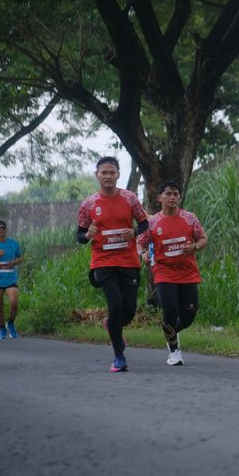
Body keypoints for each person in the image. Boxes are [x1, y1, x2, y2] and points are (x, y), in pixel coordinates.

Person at [77, 156, 148, 372]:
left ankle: (111, 324)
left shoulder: (130, 198)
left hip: (128, 261)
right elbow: (79, 235)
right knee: (115, 306)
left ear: (118, 174)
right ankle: (119, 356)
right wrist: (87, 234)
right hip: (103, 261)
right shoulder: (88, 204)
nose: (108, 176)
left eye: (112, 172)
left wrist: (134, 232)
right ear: (97, 175)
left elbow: (145, 223)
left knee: (128, 311)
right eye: (104, 172)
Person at [137, 181, 208, 366]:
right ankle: (174, 350)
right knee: (170, 311)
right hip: (164, 272)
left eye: (176, 194)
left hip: (188, 273)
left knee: (189, 314)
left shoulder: (189, 218)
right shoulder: (152, 222)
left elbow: (203, 238)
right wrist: (143, 254)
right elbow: (140, 242)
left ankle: (171, 333)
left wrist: (194, 247)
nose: (173, 197)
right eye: (168, 194)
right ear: (159, 198)